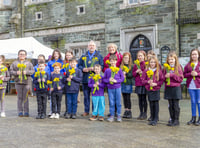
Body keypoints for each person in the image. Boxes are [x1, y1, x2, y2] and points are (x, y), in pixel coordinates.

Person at [78, 40, 104, 116]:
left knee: (94, 97)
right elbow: (79, 65)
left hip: (95, 80)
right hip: (85, 79)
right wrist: (83, 69)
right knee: (86, 96)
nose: (91, 47)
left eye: (93, 45)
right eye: (90, 45)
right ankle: (86, 110)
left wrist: (95, 68)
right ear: (88, 47)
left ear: (95, 47)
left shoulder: (99, 56)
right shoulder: (83, 56)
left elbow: (102, 66)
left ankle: (94, 111)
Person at [10, 50, 34, 117]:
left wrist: (26, 72)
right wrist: (16, 73)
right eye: (20, 54)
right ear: (18, 55)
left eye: (23, 54)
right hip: (18, 82)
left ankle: (26, 111)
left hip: (26, 82)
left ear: (25, 56)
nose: (22, 55)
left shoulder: (29, 63)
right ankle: (20, 111)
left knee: (25, 97)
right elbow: (11, 71)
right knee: (19, 97)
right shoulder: (14, 63)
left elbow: (32, 71)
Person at [142, 56, 164, 126]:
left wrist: (156, 84)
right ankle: (152, 117)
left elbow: (161, 80)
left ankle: (156, 118)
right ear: (149, 62)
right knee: (151, 103)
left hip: (156, 89)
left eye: (154, 62)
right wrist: (148, 82)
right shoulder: (146, 71)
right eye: (151, 62)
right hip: (149, 89)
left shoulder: (158, 71)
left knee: (156, 104)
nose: (152, 63)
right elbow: (143, 80)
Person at [163, 51, 183, 126]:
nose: (171, 61)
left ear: (175, 59)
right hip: (168, 88)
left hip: (176, 88)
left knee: (175, 105)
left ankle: (176, 120)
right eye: (169, 59)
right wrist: (165, 77)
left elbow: (180, 79)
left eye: (172, 59)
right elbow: (163, 78)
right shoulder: (165, 68)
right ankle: (172, 118)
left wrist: (171, 75)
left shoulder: (178, 67)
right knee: (170, 104)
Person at [103, 55, 124, 122]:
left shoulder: (119, 69)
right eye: (111, 61)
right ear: (109, 62)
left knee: (118, 102)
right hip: (110, 88)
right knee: (111, 102)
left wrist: (116, 81)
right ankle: (112, 115)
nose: (113, 62)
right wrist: (109, 80)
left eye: (114, 61)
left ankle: (118, 115)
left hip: (117, 88)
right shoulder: (107, 70)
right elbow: (104, 79)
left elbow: (122, 79)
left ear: (116, 61)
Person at [184, 49, 200, 126]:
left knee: (199, 102)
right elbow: (184, 74)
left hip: (199, 86)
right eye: (192, 54)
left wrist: (197, 74)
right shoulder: (188, 65)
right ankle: (193, 118)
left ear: (198, 55)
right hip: (191, 86)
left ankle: (199, 118)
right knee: (193, 102)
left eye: (195, 54)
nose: (194, 56)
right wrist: (190, 73)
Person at [132, 50, 148, 120]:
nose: (140, 57)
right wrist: (136, 72)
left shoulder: (146, 64)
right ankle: (141, 112)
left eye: (141, 56)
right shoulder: (136, 64)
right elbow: (133, 74)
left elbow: (148, 73)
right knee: (140, 99)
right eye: (138, 56)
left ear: (144, 57)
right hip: (138, 83)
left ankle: (145, 113)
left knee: (144, 99)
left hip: (144, 84)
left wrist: (142, 72)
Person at [47, 49, 63, 116]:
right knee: (52, 100)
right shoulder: (50, 62)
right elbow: (47, 70)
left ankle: (57, 112)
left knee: (58, 101)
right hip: (52, 80)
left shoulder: (62, 62)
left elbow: (63, 71)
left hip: (59, 82)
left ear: (59, 55)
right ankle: (52, 111)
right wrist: (51, 73)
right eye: (55, 53)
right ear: (53, 55)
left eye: (57, 53)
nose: (56, 55)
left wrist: (59, 74)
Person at [120, 52, 133, 119]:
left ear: (129, 59)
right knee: (124, 98)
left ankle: (129, 111)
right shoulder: (121, 66)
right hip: (123, 84)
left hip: (128, 83)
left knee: (128, 98)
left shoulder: (131, 66)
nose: (126, 59)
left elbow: (132, 75)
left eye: (127, 58)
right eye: (124, 58)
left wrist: (126, 74)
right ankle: (125, 110)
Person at [62, 50, 73, 117]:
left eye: (69, 55)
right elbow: (61, 72)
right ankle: (67, 110)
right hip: (66, 82)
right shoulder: (64, 64)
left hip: (73, 82)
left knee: (73, 98)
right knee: (67, 98)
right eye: (67, 55)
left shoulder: (74, 63)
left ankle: (72, 111)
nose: (68, 56)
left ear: (72, 55)